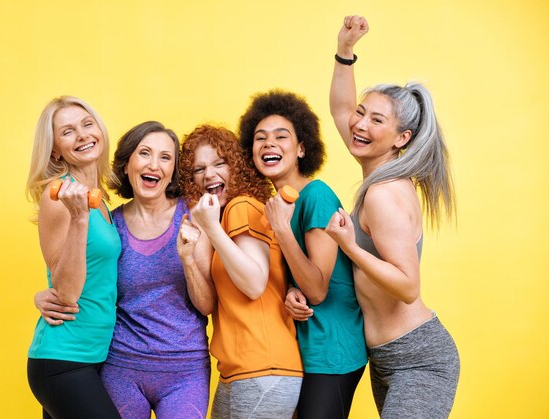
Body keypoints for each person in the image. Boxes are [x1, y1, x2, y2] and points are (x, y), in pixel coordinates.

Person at [327, 15, 460, 418]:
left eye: (376, 120)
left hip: (416, 357)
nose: (359, 124)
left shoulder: (384, 193)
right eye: (362, 114)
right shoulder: (379, 175)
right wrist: (345, 52)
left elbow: (407, 286)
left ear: (401, 138)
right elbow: (341, 109)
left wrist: (349, 246)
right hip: (388, 358)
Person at [35, 121, 214, 419]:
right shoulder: (110, 226)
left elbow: (207, 305)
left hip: (185, 369)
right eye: (145, 153)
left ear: (173, 170)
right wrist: (45, 294)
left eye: (165, 157)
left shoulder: (193, 218)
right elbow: (87, 281)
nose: (154, 165)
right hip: (122, 366)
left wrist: (188, 260)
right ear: (128, 163)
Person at [238, 90, 368, 418]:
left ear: (301, 149)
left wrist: (283, 231)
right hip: (301, 351)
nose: (269, 143)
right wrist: (291, 290)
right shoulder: (274, 207)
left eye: (281, 137)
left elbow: (318, 288)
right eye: (260, 138)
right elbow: (302, 278)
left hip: (332, 350)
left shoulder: (316, 196)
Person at [179, 125, 303, 418]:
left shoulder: (242, 206)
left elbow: (254, 284)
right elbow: (207, 304)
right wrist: (189, 256)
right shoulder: (219, 224)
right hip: (237, 372)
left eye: (219, 163)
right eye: (199, 169)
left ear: (237, 168)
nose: (209, 174)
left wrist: (210, 227)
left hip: (263, 366)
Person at [26, 95, 122, 419]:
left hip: (92, 356)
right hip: (63, 359)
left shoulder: (102, 202)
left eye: (87, 124)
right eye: (67, 132)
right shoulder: (58, 196)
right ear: (55, 149)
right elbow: (66, 293)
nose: (82, 135)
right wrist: (79, 218)